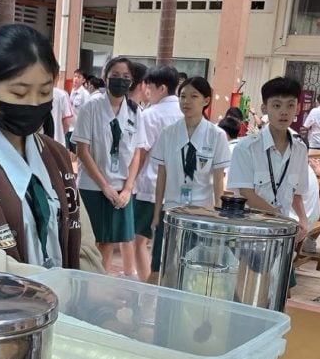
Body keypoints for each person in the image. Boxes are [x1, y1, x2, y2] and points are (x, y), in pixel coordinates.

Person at [0, 23, 103, 276]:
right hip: (2, 312)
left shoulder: (55, 156)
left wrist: (91, 295)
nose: (34, 104)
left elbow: (85, 245)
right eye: (19, 93)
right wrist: (64, 288)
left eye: (45, 91)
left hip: (65, 312)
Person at [72, 56, 146, 275]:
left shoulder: (135, 111)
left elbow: (136, 153)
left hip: (121, 188)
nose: (120, 81)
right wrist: (104, 186)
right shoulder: (91, 107)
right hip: (93, 187)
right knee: (90, 241)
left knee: (108, 243)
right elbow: (82, 150)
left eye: (125, 77)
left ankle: (99, 285)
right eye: (115, 76)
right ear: (105, 77)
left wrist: (128, 188)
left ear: (132, 81)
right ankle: (86, 286)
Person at [150, 77, 230, 275]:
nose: (187, 101)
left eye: (194, 96)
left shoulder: (216, 135)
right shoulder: (168, 133)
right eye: (183, 96)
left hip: (201, 212)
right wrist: (156, 213)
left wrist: (218, 216)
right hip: (171, 210)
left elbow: (218, 181)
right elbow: (162, 176)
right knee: (163, 268)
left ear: (206, 101)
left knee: (194, 270)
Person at [228, 77, 308, 244]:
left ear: (298, 108)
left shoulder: (300, 149)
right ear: (265, 108)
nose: (284, 112)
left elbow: (297, 193)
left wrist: (302, 220)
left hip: (283, 236)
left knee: (281, 271)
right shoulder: (246, 148)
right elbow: (246, 193)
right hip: (249, 233)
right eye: (277, 105)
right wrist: (280, 219)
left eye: (290, 105)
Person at [134, 65, 182, 282]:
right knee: (170, 244)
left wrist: (130, 181)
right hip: (178, 190)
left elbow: (142, 152)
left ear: (162, 88)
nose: (147, 92)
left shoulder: (150, 115)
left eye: (150, 87)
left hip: (150, 187)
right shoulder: (185, 112)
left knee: (139, 241)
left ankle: (147, 288)